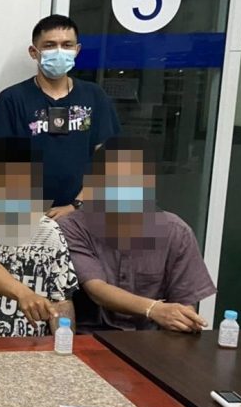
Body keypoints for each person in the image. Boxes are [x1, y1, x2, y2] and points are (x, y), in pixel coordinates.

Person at [58, 138, 215, 332]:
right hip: (91, 336)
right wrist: (153, 309)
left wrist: (182, 319)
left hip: (150, 339)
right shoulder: (73, 227)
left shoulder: (177, 232)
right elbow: (96, 289)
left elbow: (184, 302)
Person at [0, 14, 121, 219]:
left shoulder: (94, 96)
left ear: (77, 50)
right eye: (50, 45)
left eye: (67, 45)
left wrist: (77, 204)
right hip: (26, 215)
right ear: (34, 52)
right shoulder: (11, 100)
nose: (59, 51)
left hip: (85, 212)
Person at [0, 139, 78, 336]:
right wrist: (23, 293)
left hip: (34, 347)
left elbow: (61, 300)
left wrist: (65, 344)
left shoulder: (50, 231)